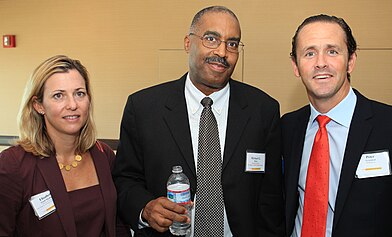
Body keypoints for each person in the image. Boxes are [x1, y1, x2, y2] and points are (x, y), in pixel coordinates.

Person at [113, 5, 284, 237]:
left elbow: (270, 197)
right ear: (187, 43)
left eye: (232, 44)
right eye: (211, 39)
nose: (222, 52)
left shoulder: (263, 110)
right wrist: (145, 208)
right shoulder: (143, 108)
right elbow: (126, 179)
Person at [282, 14, 392, 237]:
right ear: (296, 66)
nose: (320, 62)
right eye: (309, 53)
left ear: (351, 61)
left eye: (332, 51)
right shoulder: (286, 128)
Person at [0, 55, 131, 236]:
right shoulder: (13, 164)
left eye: (79, 93)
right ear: (39, 105)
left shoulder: (103, 156)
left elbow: (118, 225)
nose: (72, 105)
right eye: (58, 96)